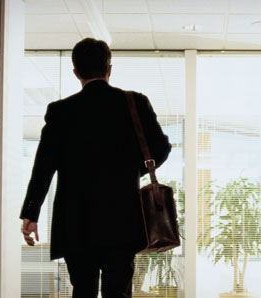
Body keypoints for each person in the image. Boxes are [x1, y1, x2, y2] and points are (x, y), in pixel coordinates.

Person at [19, 38, 172, 298]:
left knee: (83, 290)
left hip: (75, 221)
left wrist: (31, 213)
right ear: (109, 68)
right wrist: (132, 171)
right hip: (122, 218)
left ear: (76, 72)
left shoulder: (60, 111)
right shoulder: (135, 103)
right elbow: (162, 149)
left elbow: (43, 166)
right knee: (118, 292)